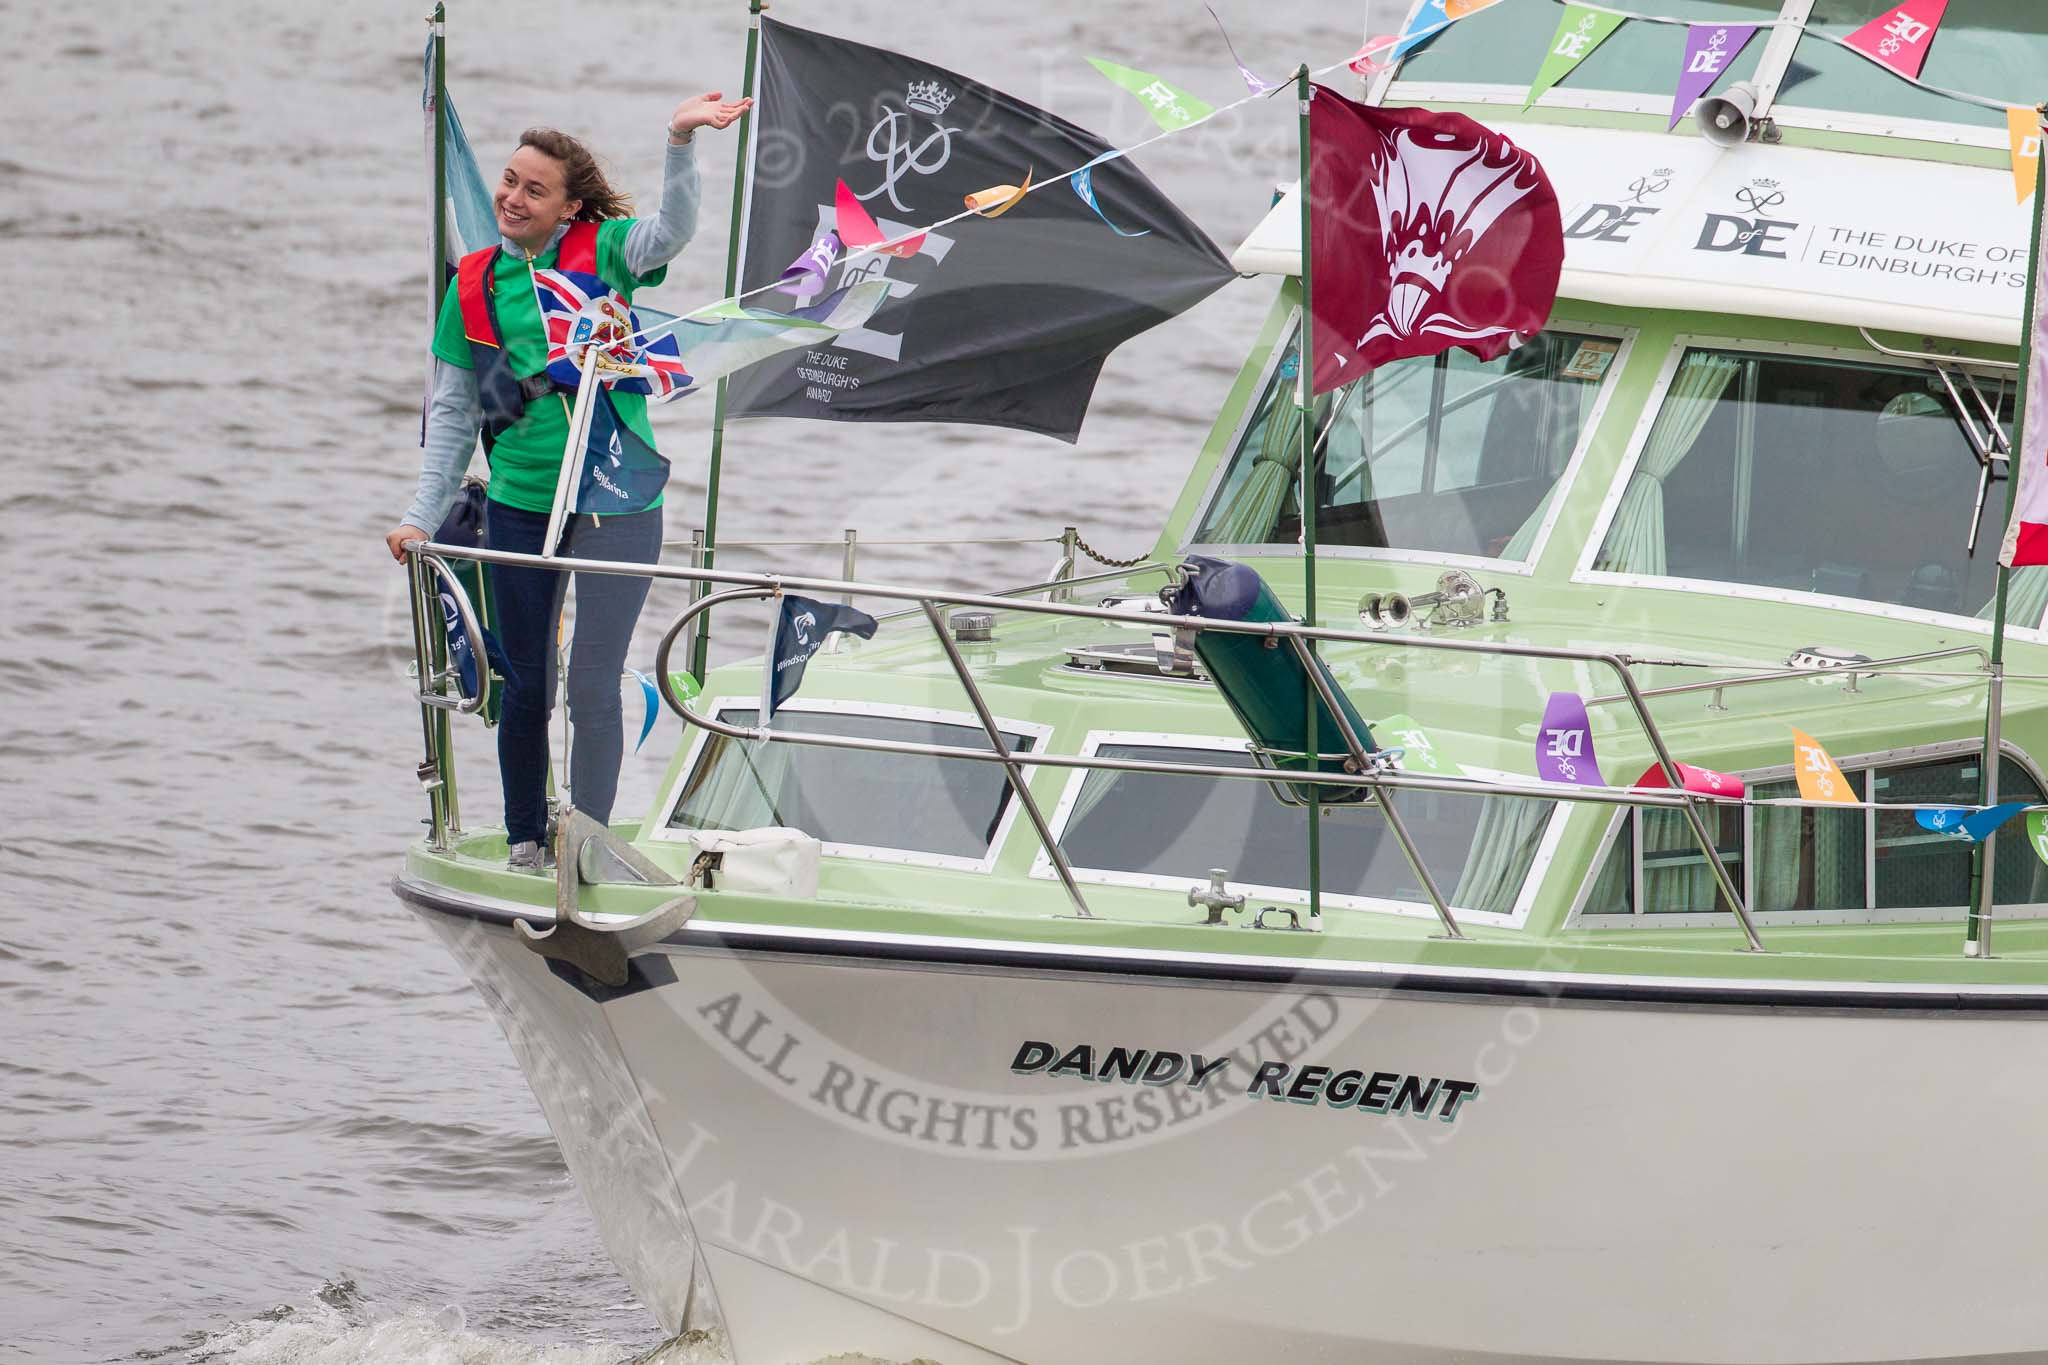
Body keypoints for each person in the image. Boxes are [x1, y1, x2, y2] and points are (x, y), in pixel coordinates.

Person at [387, 92, 751, 871]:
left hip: (619, 502)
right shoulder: (476, 282)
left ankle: (589, 840)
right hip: (520, 506)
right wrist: (420, 517)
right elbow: (453, 414)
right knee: (526, 685)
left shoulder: (607, 252)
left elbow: (675, 230)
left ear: (569, 208)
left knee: (591, 682)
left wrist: (679, 138)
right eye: (508, 183)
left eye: (534, 190)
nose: (513, 199)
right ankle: (527, 844)